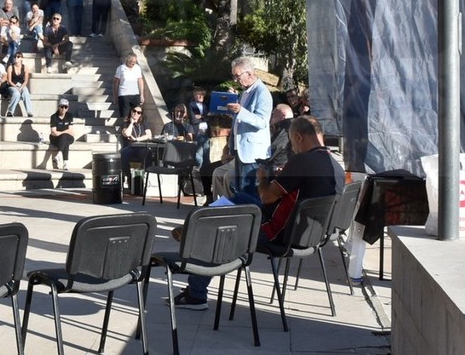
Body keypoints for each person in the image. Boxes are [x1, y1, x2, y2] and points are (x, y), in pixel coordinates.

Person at [173, 115, 343, 310]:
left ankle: (196, 294)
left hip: (278, 233)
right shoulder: (335, 165)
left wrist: (263, 178)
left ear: (298, 137)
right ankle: (197, 227)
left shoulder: (302, 161)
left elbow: (267, 197)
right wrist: (281, 176)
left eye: (291, 142)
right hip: (307, 234)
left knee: (220, 228)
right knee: (240, 199)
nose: (292, 148)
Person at [217, 56, 273, 201]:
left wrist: (240, 110)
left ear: (249, 73)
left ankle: (252, 216)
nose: (235, 80)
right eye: (234, 76)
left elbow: (262, 121)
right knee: (241, 191)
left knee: (250, 194)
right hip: (241, 151)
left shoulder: (262, 92)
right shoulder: (245, 92)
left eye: (237, 76)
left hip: (253, 154)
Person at [119, 105, 154, 177]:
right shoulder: (125, 123)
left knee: (148, 153)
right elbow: (127, 134)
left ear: (141, 114)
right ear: (131, 111)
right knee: (123, 154)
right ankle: (127, 176)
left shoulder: (144, 123)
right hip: (129, 146)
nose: (136, 113)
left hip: (142, 147)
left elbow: (149, 135)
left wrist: (136, 139)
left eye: (139, 112)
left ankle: (146, 176)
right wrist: (131, 123)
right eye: (134, 111)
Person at [112, 53, 145, 118]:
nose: (133, 63)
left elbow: (140, 81)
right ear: (127, 60)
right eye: (132, 62)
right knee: (125, 116)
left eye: (135, 62)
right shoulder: (120, 68)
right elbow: (115, 83)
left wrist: (142, 95)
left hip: (135, 94)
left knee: (136, 115)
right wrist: (115, 96)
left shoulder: (137, 68)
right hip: (124, 94)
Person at [48, 98, 75, 170]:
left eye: (66, 107)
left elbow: (71, 130)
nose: (63, 109)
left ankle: (59, 155)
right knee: (65, 140)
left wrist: (60, 133)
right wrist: (65, 132)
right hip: (55, 138)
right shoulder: (54, 117)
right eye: (62, 107)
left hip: (68, 137)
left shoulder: (69, 116)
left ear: (68, 108)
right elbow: (53, 132)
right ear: (59, 107)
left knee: (64, 137)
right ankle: (65, 163)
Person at [5, 52, 34, 117]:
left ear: (21, 58)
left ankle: (29, 111)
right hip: (12, 85)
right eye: (15, 57)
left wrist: (21, 87)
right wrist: (16, 87)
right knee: (16, 94)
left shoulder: (25, 67)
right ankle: (10, 111)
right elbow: (9, 81)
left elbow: (26, 80)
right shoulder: (10, 67)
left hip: (21, 85)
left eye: (18, 57)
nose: (16, 58)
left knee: (26, 92)